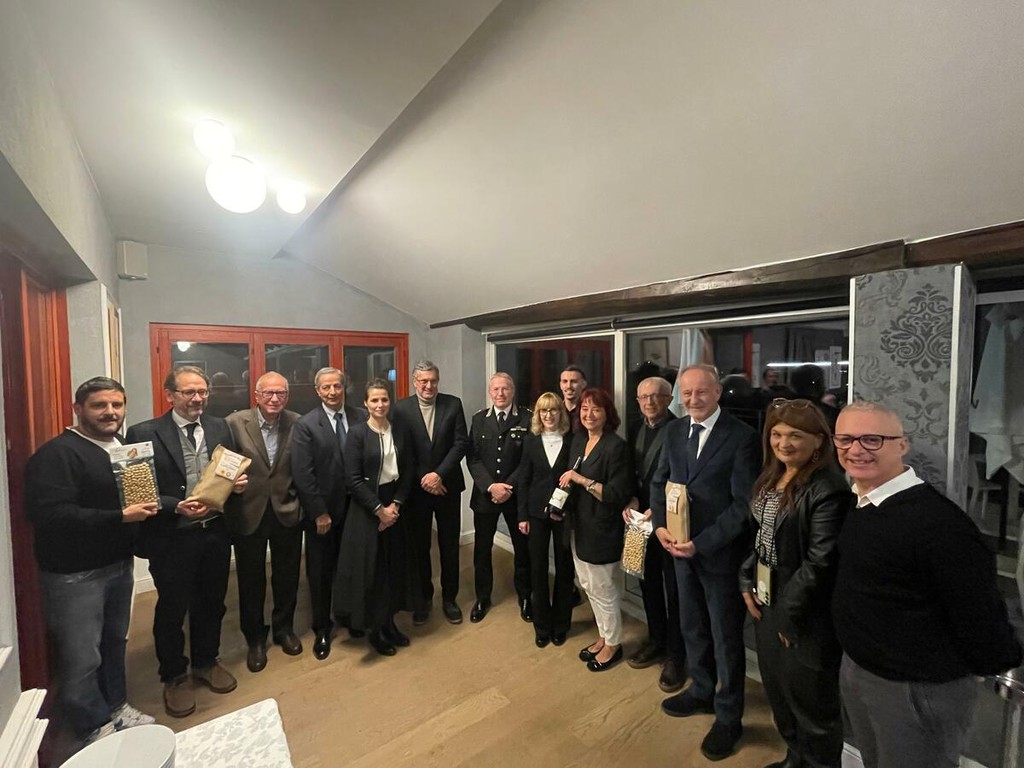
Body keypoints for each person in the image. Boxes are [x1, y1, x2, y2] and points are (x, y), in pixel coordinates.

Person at [831, 401, 1022, 768]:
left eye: (872, 439)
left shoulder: (939, 524)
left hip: (913, 687)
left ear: (902, 445)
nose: (856, 449)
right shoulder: (862, 501)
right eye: (845, 439)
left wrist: (992, 662)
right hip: (863, 670)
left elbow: (979, 612)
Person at [25, 377, 156, 747]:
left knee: (115, 642)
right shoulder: (57, 454)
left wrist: (173, 505)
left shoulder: (122, 447)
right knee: (82, 657)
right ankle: (91, 726)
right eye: (100, 405)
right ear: (78, 409)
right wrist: (120, 517)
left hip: (118, 564)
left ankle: (116, 706)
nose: (110, 412)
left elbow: (138, 498)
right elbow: (50, 515)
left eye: (117, 405)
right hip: (75, 574)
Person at [651, 363, 759, 762]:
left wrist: (702, 543)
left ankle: (729, 716)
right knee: (692, 626)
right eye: (687, 393)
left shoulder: (742, 437)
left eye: (701, 392)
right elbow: (659, 482)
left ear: (717, 393)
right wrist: (660, 526)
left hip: (718, 555)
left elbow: (743, 505)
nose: (693, 399)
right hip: (678, 550)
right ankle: (701, 690)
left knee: (725, 637)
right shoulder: (674, 431)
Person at [126, 365, 247, 718]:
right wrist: (174, 505)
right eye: (189, 392)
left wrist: (236, 484)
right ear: (170, 395)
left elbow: (228, 472)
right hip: (171, 537)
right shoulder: (143, 433)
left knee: (212, 602)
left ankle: (207, 662)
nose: (197, 398)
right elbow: (137, 488)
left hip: (214, 532)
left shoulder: (220, 427)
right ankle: (174, 675)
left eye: (203, 392)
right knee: (172, 608)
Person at [739, 399, 853, 768]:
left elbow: (821, 562)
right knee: (779, 694)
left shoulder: (828, 488)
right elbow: (761, 537)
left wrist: (788, 615)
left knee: (813, 709)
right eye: (777, 434)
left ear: (819, 441)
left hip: (806, 614)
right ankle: (794, 759)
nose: (784, 443)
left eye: (795, 435)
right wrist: (746, 576)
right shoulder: (772, 476)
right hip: (769, 601)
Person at [225, 371, 303, 673]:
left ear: (288, 396)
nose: (274, 398)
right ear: (256, 395)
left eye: (280, 393)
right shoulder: (234, 423)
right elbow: (222, 466)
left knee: (287, 575)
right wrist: (231, 486)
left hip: (286, 510)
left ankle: (284, 629)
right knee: (250, 579)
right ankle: (255, 638)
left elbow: (304, 467)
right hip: (249, 511)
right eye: (268, 393)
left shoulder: (297, 422)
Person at [333, 379, 418, 656]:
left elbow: (408, 470)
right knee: (373, 572)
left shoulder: (399, 430)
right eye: (374, 400)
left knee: (393, 567)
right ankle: (375, 629)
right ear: (365, 403)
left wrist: (396, 505)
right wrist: (379, 510)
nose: (380, 405)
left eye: (384, 399)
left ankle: (389, 623)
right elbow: (353, 479)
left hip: (395, 505)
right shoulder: (357, 434)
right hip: (367, 508)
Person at [292, 367, 365, 660]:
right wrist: (319, 512)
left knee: (352, 567)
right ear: (317, 391)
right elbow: (303, 474)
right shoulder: (306, 424)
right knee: (321, 572)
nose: (333, 392)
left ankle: (351, 617)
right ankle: (322, 627)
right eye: (326, 387)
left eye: (337, 386)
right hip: (324, 514)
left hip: (358, 510)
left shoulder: (361, 416)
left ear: (344, 387)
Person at [392, 360, 469, 625]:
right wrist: (424, 478)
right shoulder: (401, 409)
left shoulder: (453, 404)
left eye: (433, 380)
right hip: (416, 490)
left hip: (447, 487)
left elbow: (460, 443)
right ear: (415, 382)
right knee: (420, 547)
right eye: (423, 381)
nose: (428, 385)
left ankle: (450, 599)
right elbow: (402, 450)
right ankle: (423, 599)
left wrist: (439, 475)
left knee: (449, 545)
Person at [561, 388, 632, 672]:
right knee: (588, 585)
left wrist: (581, 479)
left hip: (602, 528)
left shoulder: (616, 447)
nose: (589, 414)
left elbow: (615, 494)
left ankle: (613, 644)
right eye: (585, 409)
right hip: (578, 524)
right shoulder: (579, 440)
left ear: (607, 414)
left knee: (603, 588)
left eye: (596, 409)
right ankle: (603, 636)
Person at [623, 376, 686, 693]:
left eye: (656, 396)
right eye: (643, 397)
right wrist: (631, 500)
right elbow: (631, 472)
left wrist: (655, 509)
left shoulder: (680, 430)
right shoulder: (635, 428)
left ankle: (677, 654)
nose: (649, 402)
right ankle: (656, 639)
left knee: (674, 590)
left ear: (669, 398)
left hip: (668, 522)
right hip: (638, 522)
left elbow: (682, 480)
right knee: (645, 583)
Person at [467, 372, 532, 623]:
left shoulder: (526, 418)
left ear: (513, 391)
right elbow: (473, 458)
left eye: (505, 388)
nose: (500, 393)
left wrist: (508, 487)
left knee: (522, 550)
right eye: (496, 389)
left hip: (516, 497)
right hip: (486, 496)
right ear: (489, 392)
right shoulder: (479, 419)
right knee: (482, 550)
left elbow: (527, 460)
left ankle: (525, 597)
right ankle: (483, 597)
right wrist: (490, 486)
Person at [516, 393, 574, 647]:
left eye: (553, 410)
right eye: (543, 411)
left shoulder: (572, 440)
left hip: (564, 512)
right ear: (538, 415)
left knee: (564, 568)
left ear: (561, 413)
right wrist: (522, 516)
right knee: (538, 568)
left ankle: (561, 624)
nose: (548, 415)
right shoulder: (530, 441)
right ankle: (542, 625)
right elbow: (524, 480)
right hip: (536, 513)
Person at [559, 365, 588, 433]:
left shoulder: (588, 414)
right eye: (565, 381)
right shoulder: (555, 412)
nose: (569, 386)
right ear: (560, 385)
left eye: (574, 381)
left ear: (583, 384)